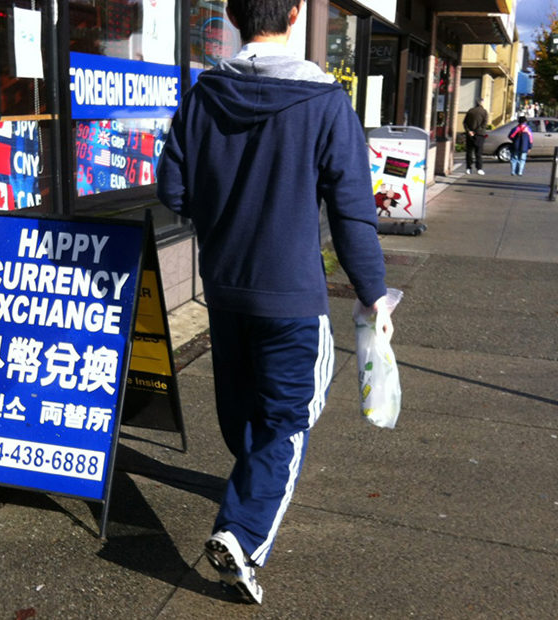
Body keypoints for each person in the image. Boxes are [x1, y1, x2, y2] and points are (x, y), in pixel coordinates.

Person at [156, 0, 392, 605]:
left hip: (225, 287)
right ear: (292, 15)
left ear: (233, 15)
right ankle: (242, 534)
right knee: (287, 419)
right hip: (291, 295)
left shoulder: (203, 95)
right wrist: (371, 294)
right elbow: (351, 213)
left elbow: (174, 190)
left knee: (243, 408)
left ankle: (247, 495)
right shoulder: (325, 102)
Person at [463, 98, 488, 175]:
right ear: (482, 103)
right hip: (479, 134)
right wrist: (476, 131)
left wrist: (469, 131)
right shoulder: (484, 112)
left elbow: (464, 122)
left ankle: (468, 168)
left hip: (469, 134)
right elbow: (484, 124)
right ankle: (479, 168)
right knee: (478, 152)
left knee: (469, 152)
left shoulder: (470, 111)